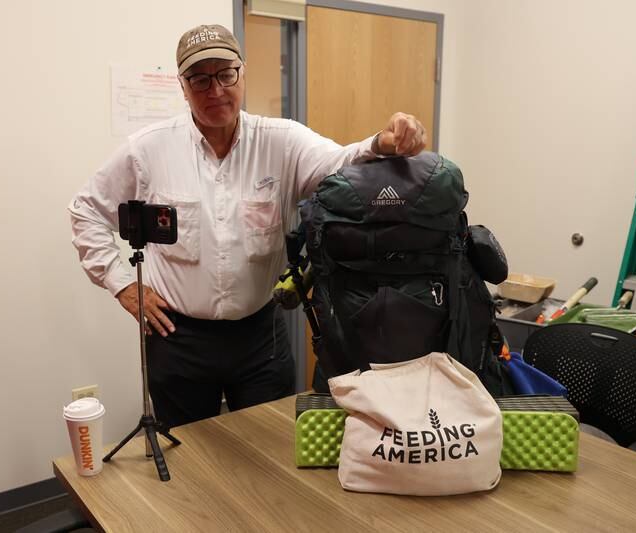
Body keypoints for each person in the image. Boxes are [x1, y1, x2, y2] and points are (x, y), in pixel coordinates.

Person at [68, 24, 427, 428]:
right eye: (200, 79)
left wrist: (383, 141)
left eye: (225, 74)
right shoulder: (149, 149)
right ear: (182, 86)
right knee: (189, 460)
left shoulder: (282, 141)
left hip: (261, 338)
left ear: (243, 72)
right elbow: (85, 211)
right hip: (177, 338)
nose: (215, 90)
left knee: (268, 449)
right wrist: (124, 285)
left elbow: (340, 164)